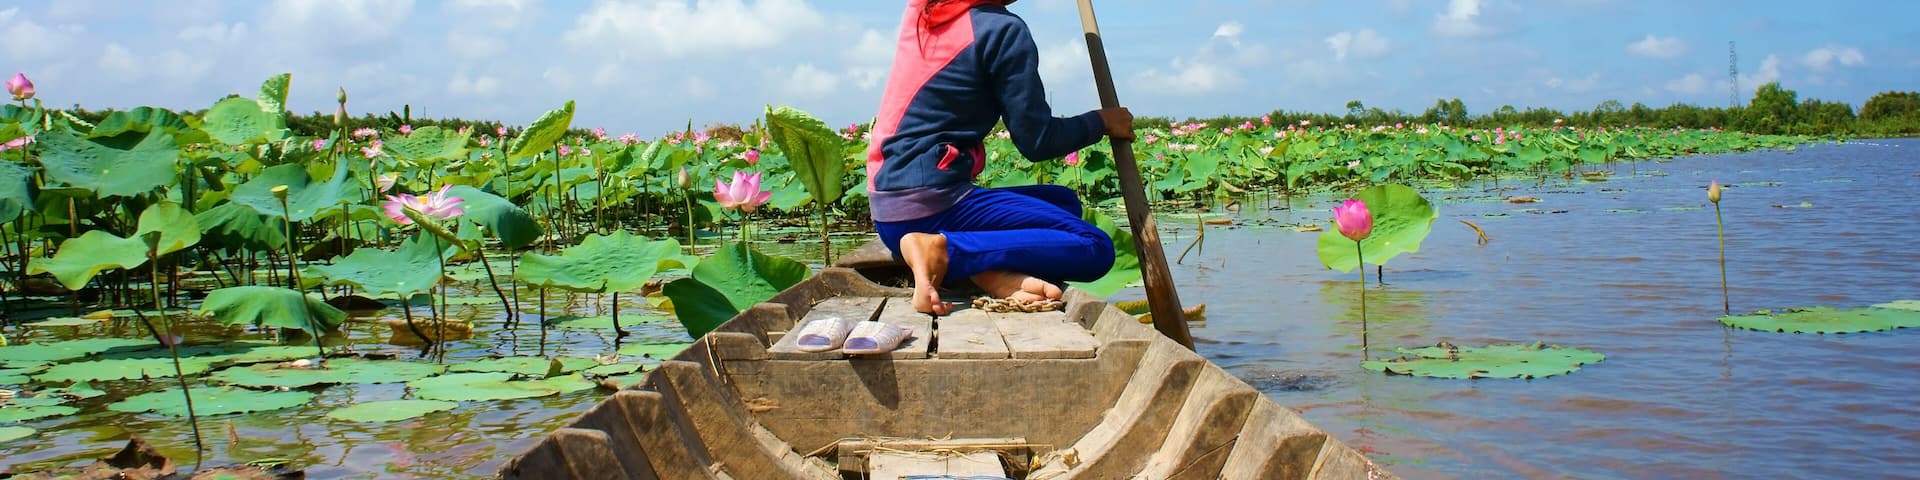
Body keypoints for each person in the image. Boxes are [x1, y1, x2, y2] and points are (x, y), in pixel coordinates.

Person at [866, 0, 1135, 316]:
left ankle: (985, 270)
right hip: (930, 206)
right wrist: (1101, 122)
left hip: (889, 215)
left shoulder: (923, 12)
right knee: (1095, 247)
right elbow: (1037, 141)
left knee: (1063, 203)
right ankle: (945, 251)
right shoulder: (1003, 30)